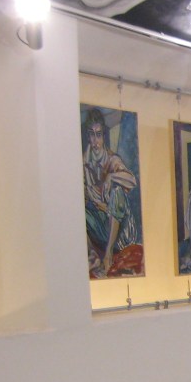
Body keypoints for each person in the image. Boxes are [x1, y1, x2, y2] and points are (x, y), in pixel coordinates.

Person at [82, 107, 141, 278]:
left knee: (117, 191)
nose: (95, 140)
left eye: (98, 135)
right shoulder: (84, 163)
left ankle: (108, 254)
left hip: (122, 232)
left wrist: (111, 177)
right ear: (88, 136)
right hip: (101, 227)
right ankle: (92, 254)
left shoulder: (112, 159)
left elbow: (132, 180)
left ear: (103, 136)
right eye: (92, 135)